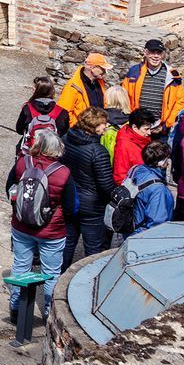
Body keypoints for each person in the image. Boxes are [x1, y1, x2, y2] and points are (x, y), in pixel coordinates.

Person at [5, 128, 75, 324]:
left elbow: (9, 187)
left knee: (20, 266)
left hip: (21, 225)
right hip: (51, 231)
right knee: (51, 273)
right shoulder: (63, 173)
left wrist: (19, 209)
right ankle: (48, 313)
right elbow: (70, 206)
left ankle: (16, 310)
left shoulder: (22, 163)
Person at [61, 107, 116, 265]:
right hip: (92, 207)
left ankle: (58, 277)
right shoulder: (98, 152)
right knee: (93, 250)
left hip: (70, 199)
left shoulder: (66, 139)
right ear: (94, 126)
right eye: (103, 124)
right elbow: (106, 185)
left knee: (68, 243)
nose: (106, 126)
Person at [122, 39, 184, 129]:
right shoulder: (134, 71)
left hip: (160, 128)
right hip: (137, 126)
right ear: (146, 53)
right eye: (152, 52)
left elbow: (180, 101)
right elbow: (124, 96)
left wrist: (165, 125)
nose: (156, 56)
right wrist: (130, 120)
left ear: (163, 55)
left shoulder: (172, 75)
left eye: (159, 53)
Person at [121, 141, 175, 237]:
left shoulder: (135, 169)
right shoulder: (158, 188)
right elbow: (157, 223)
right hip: (143, 236)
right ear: (161, 162)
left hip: (131, 228)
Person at [57, 53, 110, 123]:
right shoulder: (73, 85)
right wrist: (76, 127)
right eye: (102, 68)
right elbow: (62, 112)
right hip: (80, 130)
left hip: (96, 129)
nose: (105, 71)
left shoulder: (100, 83)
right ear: (92, 67)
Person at [111, 107, 158, 184]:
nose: (149, 133)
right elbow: (120, 176)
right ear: (134, 127)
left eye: (150, 129)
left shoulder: (143, 138)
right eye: (146, 129)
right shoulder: (123, 145)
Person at [15, 76, 62, 144]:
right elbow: (62, 132)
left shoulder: (27, 108)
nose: (32, 88)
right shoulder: (61, 111)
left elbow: (19, 130)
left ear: (38, 91)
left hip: (31, 147)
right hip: (51, 149)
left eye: (34, 87)